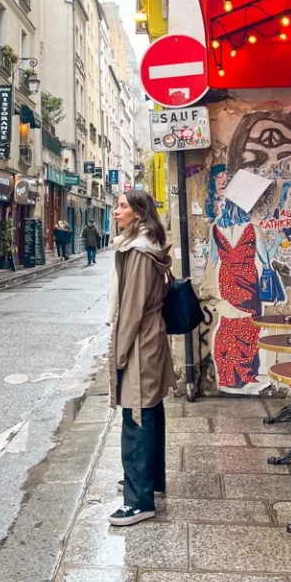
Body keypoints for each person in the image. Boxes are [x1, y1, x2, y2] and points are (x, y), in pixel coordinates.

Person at [107, 189, 176, 527]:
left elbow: (130, 311)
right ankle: (153, 480)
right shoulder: (151, 245)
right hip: (153, 338)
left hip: (140, 344)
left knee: (135, 417)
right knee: (151, 409)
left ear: (137, 212)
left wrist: (117, 358)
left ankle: (138, 502)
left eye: (122, 206)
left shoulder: (137, 252)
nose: (116, 211)